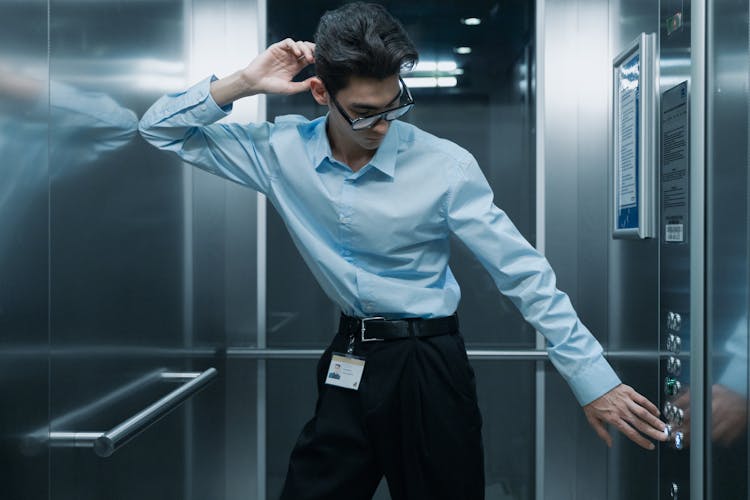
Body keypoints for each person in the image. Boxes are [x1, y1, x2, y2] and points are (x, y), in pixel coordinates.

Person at [139, 3, 667, 498]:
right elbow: (159, 129)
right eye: (366, 113)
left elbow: (523, 274)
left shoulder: (444, 165)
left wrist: (592, 378)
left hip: (427, 366)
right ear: (321, 94)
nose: (385, 126)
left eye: (395, 105)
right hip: (348, 358)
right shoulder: (279, 152)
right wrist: (245, 82)